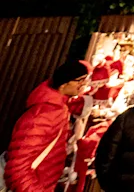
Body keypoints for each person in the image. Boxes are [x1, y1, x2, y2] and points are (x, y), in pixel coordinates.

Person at [4, 60, 90, 192]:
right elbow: (18, 168)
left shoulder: (60, 107)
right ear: (64, 84)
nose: (83, 83)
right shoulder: (45, 115)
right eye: (80, 80)